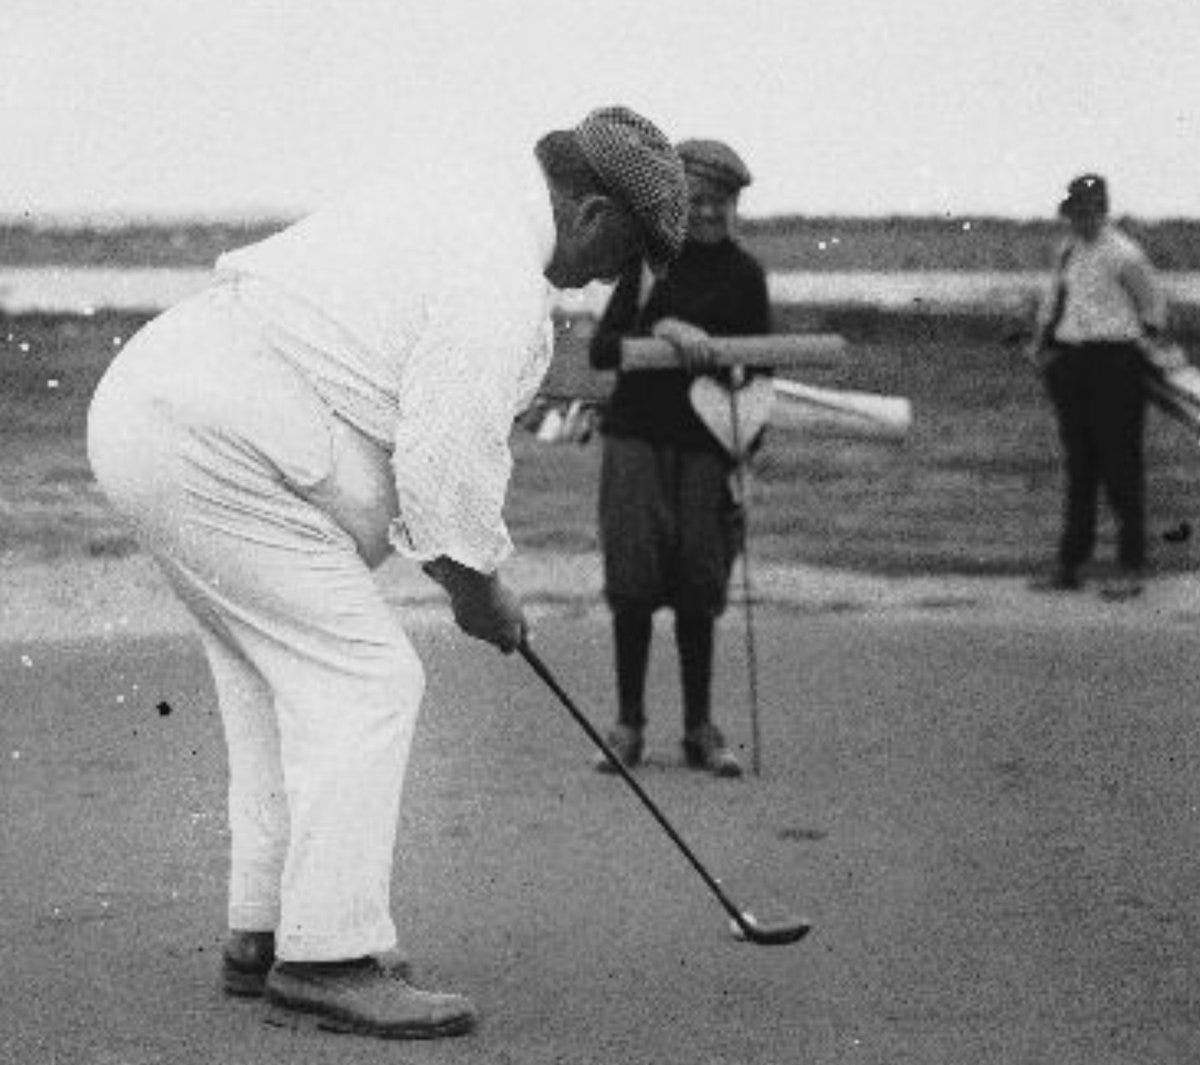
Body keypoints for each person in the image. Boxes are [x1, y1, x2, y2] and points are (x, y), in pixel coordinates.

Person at [86, 106, 687, 1040]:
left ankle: (267, 928)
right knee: (366, 676)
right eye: (625, 253)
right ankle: (328, 958)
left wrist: (476, 574)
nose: (611, 278)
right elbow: (442, 465)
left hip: (155, 403)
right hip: (209, 438)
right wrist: (481, 589)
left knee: (276, 677)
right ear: (594, 211)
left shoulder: (460, 193)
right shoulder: (498, 270)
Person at [587, 138, 770, 777]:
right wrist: (665, 330)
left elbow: (763, 376)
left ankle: (699, 729)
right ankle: (628, 727)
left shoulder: (747, 276)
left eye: (721, 201)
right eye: (696, 200)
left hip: (708, 451)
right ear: (676, 200)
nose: (708, 212)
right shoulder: (646, 264)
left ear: (734, 205)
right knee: (632, 587)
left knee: (700, 588)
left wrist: (745, 449)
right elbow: (603, 350)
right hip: (636, 438)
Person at [1027, 173, 1169, 600]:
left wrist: (1140, 348)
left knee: (1121, 467)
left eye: (1089, 212)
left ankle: (1131, 567)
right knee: (1080, 469)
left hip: (1116, 365)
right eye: (1075, 213)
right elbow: (1055, 303)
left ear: (1103, 211)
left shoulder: (1125, 254)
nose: (1081, 220)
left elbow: (1154, 309)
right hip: (1071, 366)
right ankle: (1070, 565)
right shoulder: (1068, 251)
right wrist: (1043, 348)